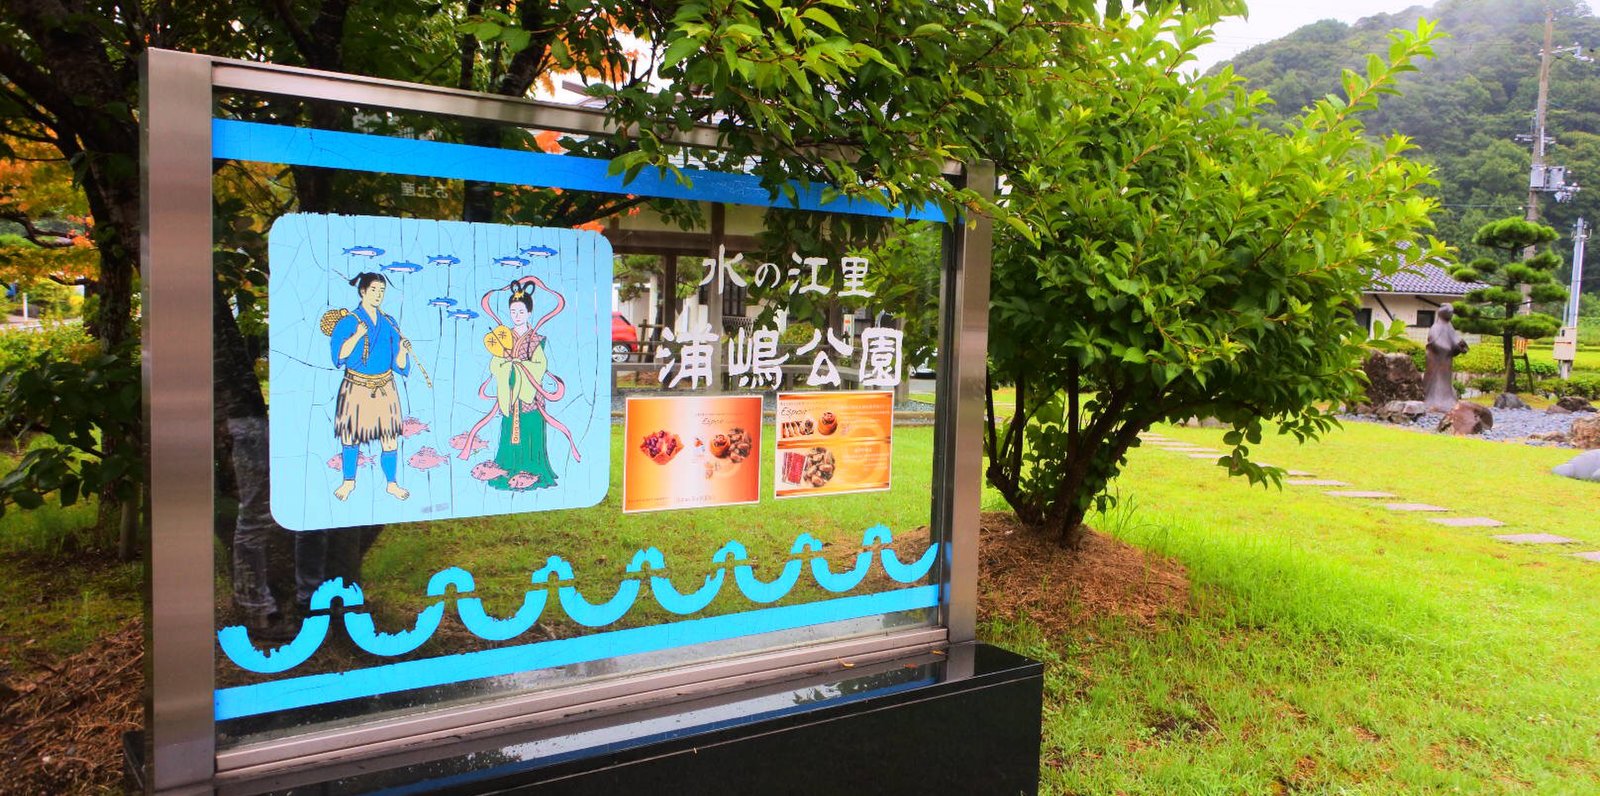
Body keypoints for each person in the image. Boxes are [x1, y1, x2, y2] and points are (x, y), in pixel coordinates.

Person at [458, 275, 582, 490]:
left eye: (521, 312)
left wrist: (522, 365)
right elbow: (495, 365)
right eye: (513, 312)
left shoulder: (537, 339)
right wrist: (506, 363)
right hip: (509, 392)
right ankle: (508, 468)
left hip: (529, 394)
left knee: (531, 428)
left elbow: (540, 366)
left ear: (529, 313)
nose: (517, 316)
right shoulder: (503, 337)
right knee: (508, 431)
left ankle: (533, 470)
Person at [328, 272, 413, 500]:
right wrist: (357, 336)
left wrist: (403, 350)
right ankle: (348, 482)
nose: (378, 295)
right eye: (374, 290)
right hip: (356, 385)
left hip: (385, 385)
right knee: (350, 436)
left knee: (389, 437)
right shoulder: (349, 321)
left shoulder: (389, 322)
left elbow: (399, 365)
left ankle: (392, 484)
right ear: (363, 291)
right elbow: (339, 356)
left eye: (382, 291)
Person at [1423, 302, 1469, 412]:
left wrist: (1460, 346)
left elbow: (1455, 339)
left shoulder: (1449, 327)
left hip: (1446, 360)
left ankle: (1447, 400)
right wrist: (1447, 349)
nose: (1451, 315)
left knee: (1445, 380)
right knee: (1436, 380)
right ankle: (1434, 401)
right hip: (1436, 360)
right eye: (1450, 313)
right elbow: (1433, 341)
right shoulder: (1436, 327)